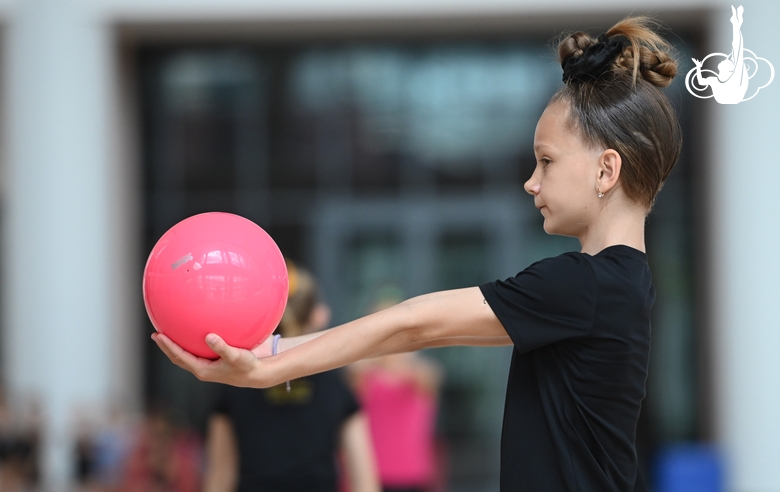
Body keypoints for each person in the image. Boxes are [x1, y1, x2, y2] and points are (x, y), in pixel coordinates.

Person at [154, 15, 682, 492]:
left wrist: (270, 368)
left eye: (545, 162)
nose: (530, 182)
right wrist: (271, 353)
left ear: (605, 171)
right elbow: (441, 329)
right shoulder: (619, 286)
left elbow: (414, 325)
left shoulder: (587, 285)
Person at [202, 261, 380, 492]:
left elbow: (220, 477)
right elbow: (365, 482)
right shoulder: (337, 387)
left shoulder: (233, 383)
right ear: (317, 316)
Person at [348, 290, 443, 492]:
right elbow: (354, 374)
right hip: (371, 477)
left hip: (413, 477)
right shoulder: (363, 374)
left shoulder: (420, 373)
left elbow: (427, 378)